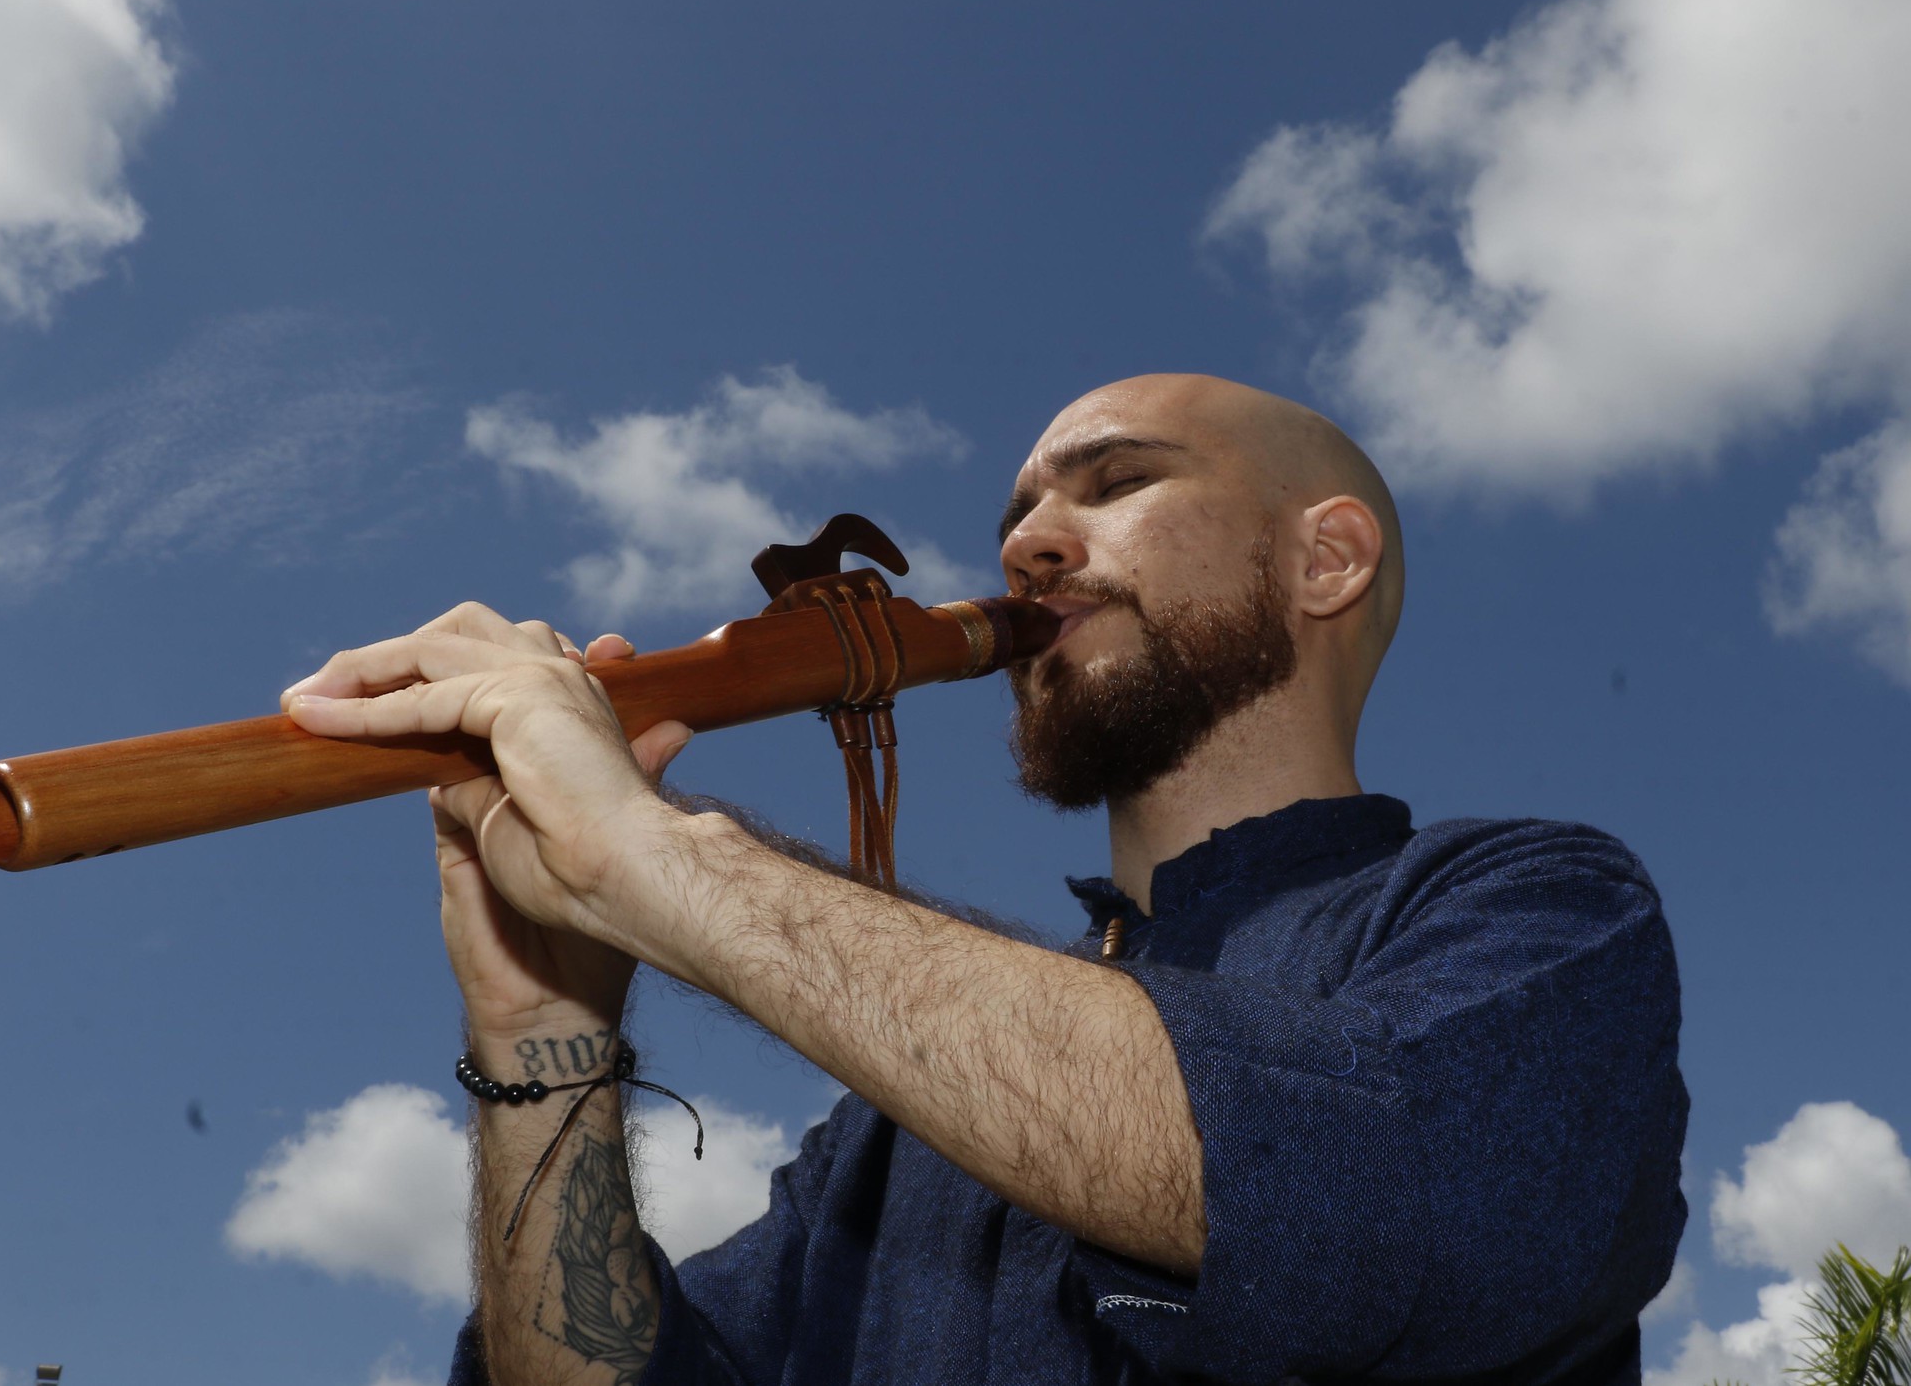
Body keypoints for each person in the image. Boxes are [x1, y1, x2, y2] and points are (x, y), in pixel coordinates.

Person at [285, 374, 1687, 1386]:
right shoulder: (886, 1141)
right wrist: (544, 1027)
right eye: (1021, 511)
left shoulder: (1537, 910)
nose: (1024, 544)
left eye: (1117, 482)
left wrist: (651, 857)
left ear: (1325, 559)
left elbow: (1367, 1190)